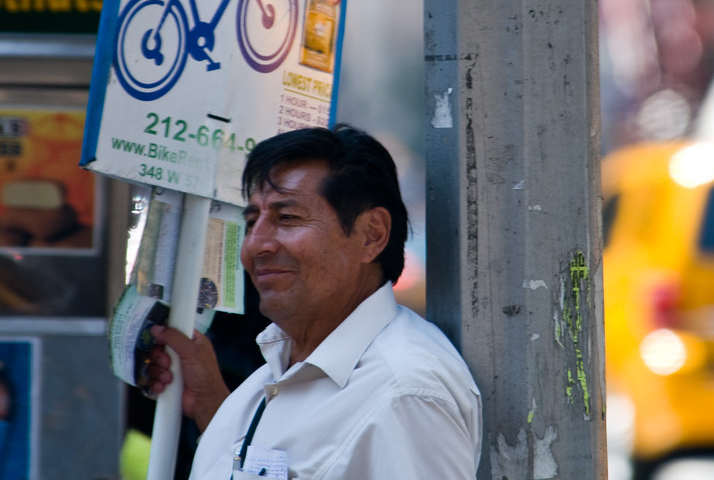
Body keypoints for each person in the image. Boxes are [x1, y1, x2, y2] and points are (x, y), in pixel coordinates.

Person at [144, 124, 482, 479]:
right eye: (251, 221)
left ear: (372, 235)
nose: (256, 246)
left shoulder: (405, 393)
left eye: (287, 218)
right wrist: (212, 406)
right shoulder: (273, 374)